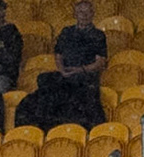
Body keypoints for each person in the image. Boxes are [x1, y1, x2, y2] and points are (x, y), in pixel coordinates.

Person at [16, 0, 106, 129]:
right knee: (44, 79)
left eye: (87, 12)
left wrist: (80, 69)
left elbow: (100, 62)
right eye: (81, 12)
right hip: (66, 72)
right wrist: (62, 70)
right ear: (75, 14)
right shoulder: (67, 32)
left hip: (84, 74)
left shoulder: (98, 35)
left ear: (93, 14)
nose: (84, 15)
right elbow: (58, 54)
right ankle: (45, 124)